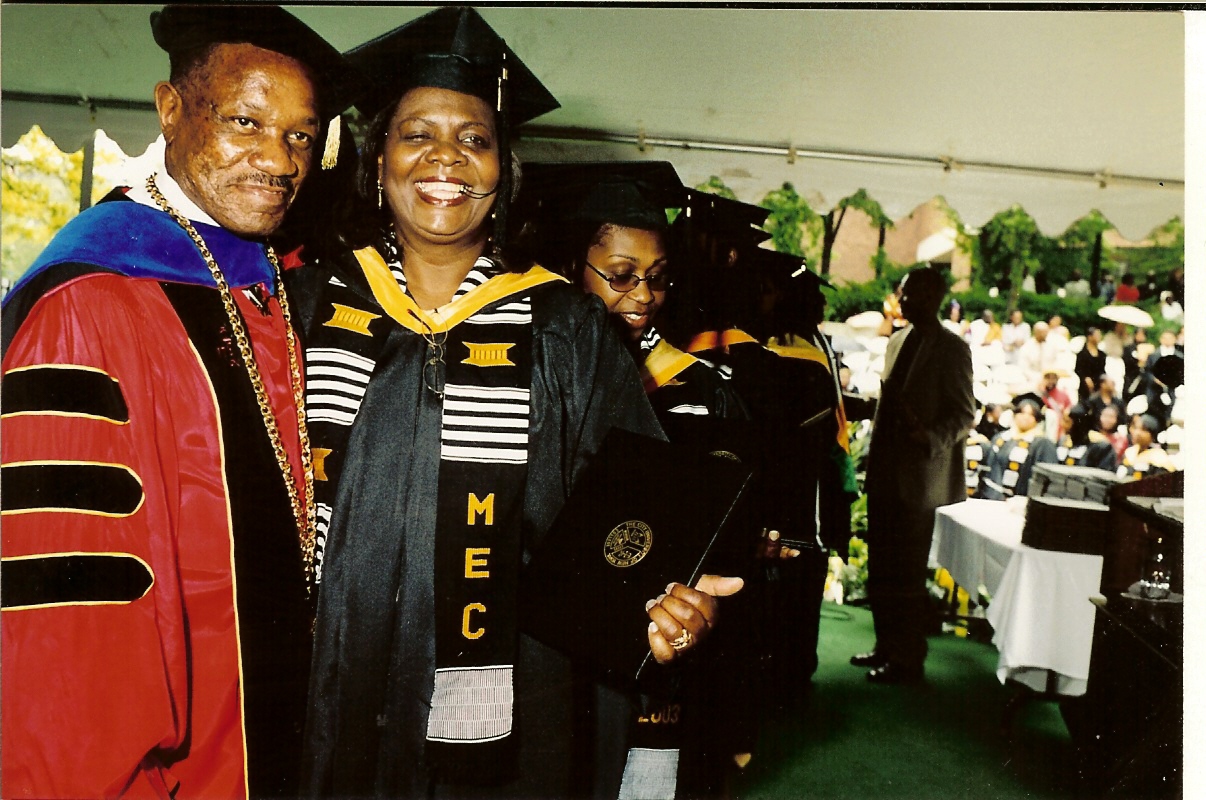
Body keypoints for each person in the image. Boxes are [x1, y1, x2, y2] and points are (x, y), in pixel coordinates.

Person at [288, 10, 738, 797]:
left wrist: (669, 599)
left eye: (474, 139)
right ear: (377, 157)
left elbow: (635, 519)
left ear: (504, 170)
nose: (445, 159)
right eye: (415, 133)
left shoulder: (567, 328)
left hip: (518, 700)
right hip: (330, 681)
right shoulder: (306, 305)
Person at [0, 7, 358, 796]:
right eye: (244, 121)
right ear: (169, 110)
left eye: (300, 135)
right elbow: (68, 617)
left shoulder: (265, 284)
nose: (277, 159)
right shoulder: (89, 305)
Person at [851, 267, 974, 685]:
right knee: (881, 568)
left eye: (912, 294)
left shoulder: (952, 348)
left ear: (934, 298)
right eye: (902, 292)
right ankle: (885, 646)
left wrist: (929, 436)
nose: (903, 300)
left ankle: (907, 659)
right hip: (885, 471)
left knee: (906, 573)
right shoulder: (899, 338)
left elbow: (963, 414)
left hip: (921, 481)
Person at [975, 393, 1059, 500]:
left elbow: (1045, 478)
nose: (1025, 417)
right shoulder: (1001, 438)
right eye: (1022, 413)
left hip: (1019, 500)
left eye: (1031, 414)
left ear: (1037, 419)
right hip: (991, 496)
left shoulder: (1042, 444)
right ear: (1015, 415)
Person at [1055, 405, 1118, 472]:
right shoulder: (1063, 441)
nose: (1062, 424)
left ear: (1077, 424)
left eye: (1067, 421)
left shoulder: (1101, 447)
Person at [1117, 414, 1178, 480]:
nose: (1137, 433)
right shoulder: (1130, 452)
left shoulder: (1159, 457)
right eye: (1136, 428)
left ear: (1152, 436)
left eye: (1143, 429)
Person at [1074, 326, 1107, 398]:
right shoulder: (1082, 354)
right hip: (1085, 385)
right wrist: (1085, 378)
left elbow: (1102, 370)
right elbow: (1078, 369)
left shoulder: (1102, 354)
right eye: (1097, 335)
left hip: (1098, 384)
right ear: (1090, 337)